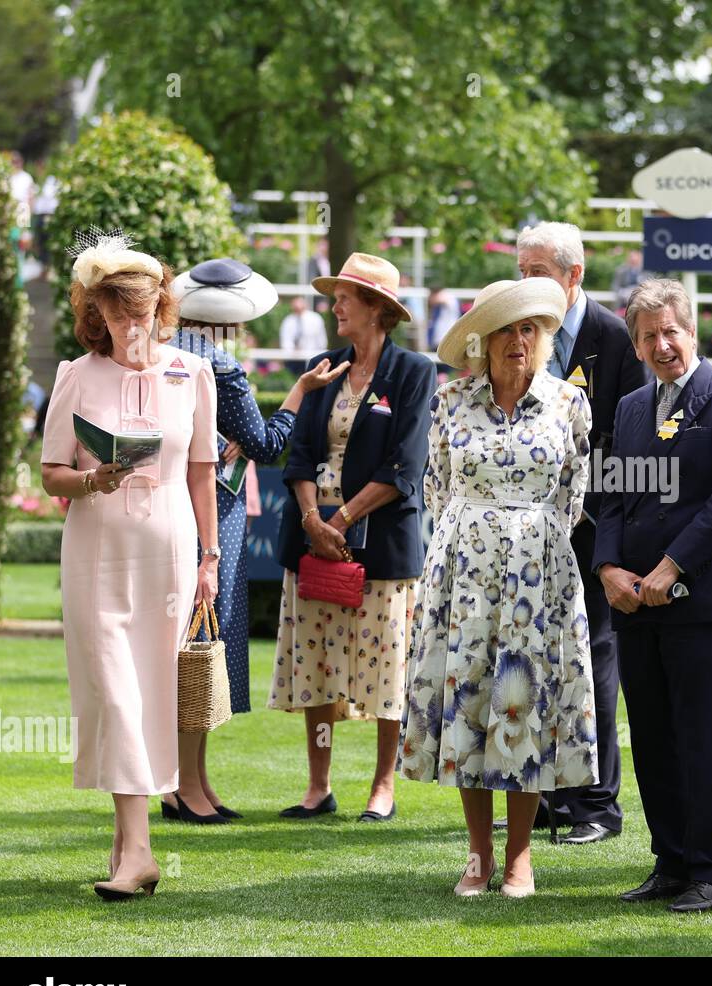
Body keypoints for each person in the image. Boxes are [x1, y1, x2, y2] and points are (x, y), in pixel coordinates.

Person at [397, 277, 597, 898]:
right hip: (463, 577)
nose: (520, 340)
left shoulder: (568, 402)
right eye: (508, 329)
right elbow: (435, 486)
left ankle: (520, 856)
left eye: (530, 329)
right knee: (469, 699)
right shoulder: (452, 400)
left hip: (539, 579)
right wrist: (473, 538)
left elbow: (574, 493)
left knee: (525, 703)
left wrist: (525, 540)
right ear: (484, 341)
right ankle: (478, 855)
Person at [40, 230, 219, 900]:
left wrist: (210, 555)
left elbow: (203, 473)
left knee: (147, 695)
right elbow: (53, 471)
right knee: (113, 692)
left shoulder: (192, 373)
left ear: (160, 311)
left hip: (168, 551)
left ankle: (126, 848)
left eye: (141, 314)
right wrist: (91, 480)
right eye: (117, 314)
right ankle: (140, 851)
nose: (131, 326)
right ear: (98, 316)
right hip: (95, 547)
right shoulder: (75, 375)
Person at [594, 279, 712, 913]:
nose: (661, 344)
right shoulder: (632, 407)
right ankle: (669, 863)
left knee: (700, 737)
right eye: (648, 336)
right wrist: (610, 569)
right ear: (635, 344)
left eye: (671, 331)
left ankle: (710, 872)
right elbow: (611, 495)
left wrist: (671, 567)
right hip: (635, 603)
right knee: (654, 736)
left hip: (699, 599)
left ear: (691, 331)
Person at [165, 259, 348, 823]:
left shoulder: (169, 352)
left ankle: (191, 781)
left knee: (191, 643)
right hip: (213, 515)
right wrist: (297, 392)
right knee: (203, 642)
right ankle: (184, 788)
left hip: (176, 509)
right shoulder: (222, 368)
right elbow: (268, 444)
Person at [269, 252, 435, 822]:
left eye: (345, 296)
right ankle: (319, 785)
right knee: (316, 665)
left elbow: (404, 465)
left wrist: (338, 524)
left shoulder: (414, 372)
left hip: (381, 545)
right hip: (313, 540)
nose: (334, 304)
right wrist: (314, 522)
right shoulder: (324, 366)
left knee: (387, 668)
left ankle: (382, 787)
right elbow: (301, 453)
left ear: (377, 310)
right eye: (335, 294)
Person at [515, 221, 645, 844]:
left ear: (574, 276)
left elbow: (633, 437)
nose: (526, 284)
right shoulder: (519, 338)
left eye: (537, 271)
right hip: (530, 535)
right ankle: (546, 794)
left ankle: (597, 804)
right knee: (538, 659)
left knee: (595, 660)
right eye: (521, 271)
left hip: (597, 531)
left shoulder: (613, 338)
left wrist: (586, 504)